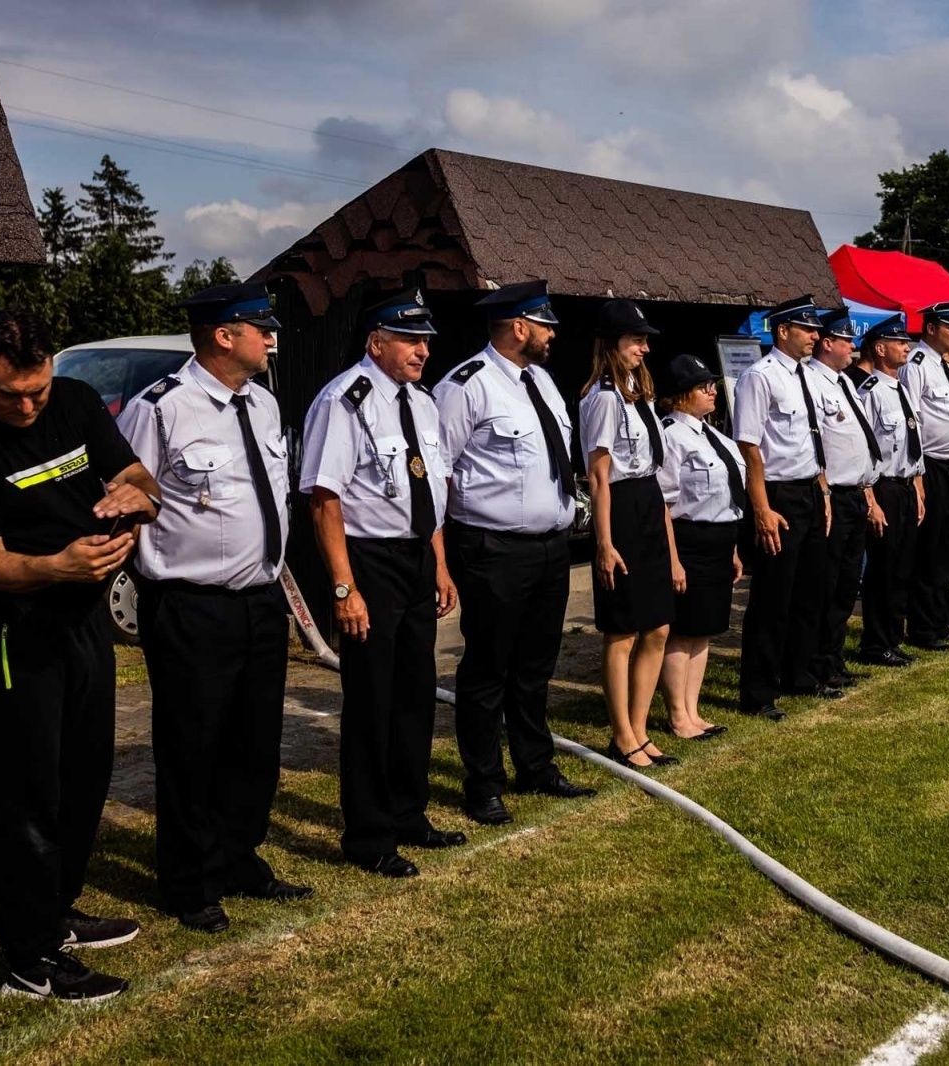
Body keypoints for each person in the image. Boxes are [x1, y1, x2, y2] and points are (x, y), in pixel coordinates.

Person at [0, 311, 158, 1002]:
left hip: (83, 621)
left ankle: (57, 909)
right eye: (8, 395)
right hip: (15, 630)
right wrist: (60, 564)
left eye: (36, 392)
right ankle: (28, 957)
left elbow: (140, 475)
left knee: (87, 772)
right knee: (28, 788)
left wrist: (134, 497)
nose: (26, 407)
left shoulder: (76, 401)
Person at [118, 282, 310, 931]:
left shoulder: (260, 401)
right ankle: (189, 879)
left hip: (259, 600)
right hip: (191, 604)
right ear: (223, 335)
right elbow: (125, 499)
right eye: (260, 327)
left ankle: (236, 856)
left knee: (254, 744)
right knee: (192, 747)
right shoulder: (161, 408)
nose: (271, 337)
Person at [301, 288, 464, 877]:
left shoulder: (421, 403)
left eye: (426, 341)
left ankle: (408, 813)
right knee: (372, 700)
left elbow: (432, 493)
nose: (423, 350)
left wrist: (440, 563)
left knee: (416, 693)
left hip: (417, 558)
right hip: (367, 561)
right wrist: (344, 588)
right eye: (411, 339)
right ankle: (369, 835)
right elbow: (325, 499)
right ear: (377, 342)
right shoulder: (345, 400)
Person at [433, 280, 596, 826]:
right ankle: (484, 783)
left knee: (535, 666)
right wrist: (443, 556)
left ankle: (536, 765)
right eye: (545, 325)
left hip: (551, 547)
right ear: (519, 327)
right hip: (494, 548)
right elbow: (441, 472)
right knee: (488, 670)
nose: (553, 335)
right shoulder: (466, 386)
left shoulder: (544, 383)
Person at [578, 300, 678, 770]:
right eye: (635, 339)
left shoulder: (638, 392)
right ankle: (622, 735)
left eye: (644, 339)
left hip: (648, 502)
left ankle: (640, 728)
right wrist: (604, 542)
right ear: (612, 343)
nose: (644, 346)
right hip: (619, 510)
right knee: (622, 631)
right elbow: (598, 477)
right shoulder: (601, 397)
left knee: (657, 625)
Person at [731, 295, 831, 720]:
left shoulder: (805, 376)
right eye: (807, 329)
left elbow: (814, 439)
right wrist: (762, 509)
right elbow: (750, 448)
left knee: (809, 591)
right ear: (782, 331)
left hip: (809, 489)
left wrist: (823, 491)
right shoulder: (761, 376)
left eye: (815, 329)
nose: (815, 336)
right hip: (778, 494)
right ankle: (758, 692)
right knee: (773, 597)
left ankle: (799, 674)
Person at [656, 354, 743, 741]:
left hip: (719, 538)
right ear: (680, 395)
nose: (713, 391)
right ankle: (677, 715)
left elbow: (726, 494)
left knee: (705, 630)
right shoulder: (672, 435)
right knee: (683, 631)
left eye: (712, 384)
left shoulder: (715, 435)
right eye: (703, 386)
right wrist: (673, 559)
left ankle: (693, 711)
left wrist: (734, 549)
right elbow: (665, 503)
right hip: (688, 539)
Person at [804, 307, 880, 689]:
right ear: (827, 342)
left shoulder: (844, 382)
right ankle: (817, 662)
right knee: (827, 584)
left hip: (855, 493)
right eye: (846, 339)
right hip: (831, 494)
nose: (853, 345)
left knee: (847, 584)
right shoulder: (813, 382)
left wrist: (868, 491)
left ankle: (832, 660)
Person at [899, 300, 949, 650]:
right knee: (930, 551)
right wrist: (917, 474)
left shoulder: (942, 366)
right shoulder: (917, 364)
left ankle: (939, 619)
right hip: (932, 466)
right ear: (931, 328)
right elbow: (911, 420)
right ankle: (923, 628)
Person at [855, 315, 925, 666]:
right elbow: (866, 448)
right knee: (882, 568)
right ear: (880, 348)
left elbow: (915, 442)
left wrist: (919, 488)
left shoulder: (903, 390)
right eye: (900, 343)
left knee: (902, 567)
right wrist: (870, 498)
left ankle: (893, 638)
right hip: (883, 487)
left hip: (907, 486)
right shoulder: (869, 392)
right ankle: (875, 642)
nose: (907, 347)